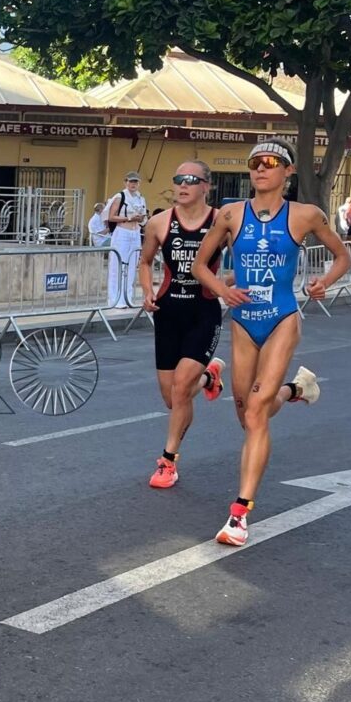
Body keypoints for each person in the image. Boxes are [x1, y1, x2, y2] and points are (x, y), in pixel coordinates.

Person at [191, 139, 351, 547]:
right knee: (246, 413)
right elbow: (199, 265)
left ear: (288, 171)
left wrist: (323, 283)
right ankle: (295, 390)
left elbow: (343, 256)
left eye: (270, 162)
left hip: (282, 318)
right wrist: (223, 291)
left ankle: (239, 513)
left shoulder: (305, 214)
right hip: (244, 321)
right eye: (254, 163)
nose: (260, 169)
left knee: (257, 410)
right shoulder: (231, 214)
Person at [138, 162, 226, 489]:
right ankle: (209, 377)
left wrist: (228, 284)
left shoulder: (222, 221)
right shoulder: (159, 222)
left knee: (180, 389)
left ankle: (168, 462)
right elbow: (145, 261)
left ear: (206, 186)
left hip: (203, 312)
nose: (183, 185)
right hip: (168, 312)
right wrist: (147, 291)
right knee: (172, 398)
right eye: (178, 179)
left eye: (191, 179)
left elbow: (245, 258)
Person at [105, 171, 148, 307]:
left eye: (135, 182)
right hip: (122, 232)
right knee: (118, 265)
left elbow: (143, 216)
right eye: (131, 181)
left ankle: (127, 298)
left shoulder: (140, 198)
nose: (133, 184)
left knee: (131, 266)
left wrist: (141, 219)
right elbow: (111, 216)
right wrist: (129, 218)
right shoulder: (120, 196)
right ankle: (115, 299)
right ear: (126, 182)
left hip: (135, 232)